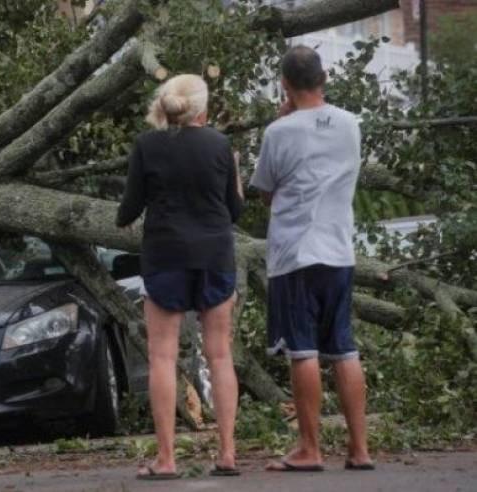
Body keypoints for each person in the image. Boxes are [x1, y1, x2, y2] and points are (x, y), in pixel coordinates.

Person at [250, 45, 374, 472]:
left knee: (302, 351)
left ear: (284, 84)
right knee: (344, 348)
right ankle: (359, 449)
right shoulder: (350, 124)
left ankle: (310, 448)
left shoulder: (279, 132)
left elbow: (266, 192)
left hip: (296, 252)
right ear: (323, 79)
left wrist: (285, 118)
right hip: (339, 250)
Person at [116, 74, 244, 480]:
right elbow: (235, 211)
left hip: (166, 255)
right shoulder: (221, 146)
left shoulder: (147, 145)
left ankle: (167, 459)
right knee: (219, 354)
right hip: (214, 255)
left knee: (162, 357)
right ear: (202, 110)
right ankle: (226, 453)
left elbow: (128, 210)